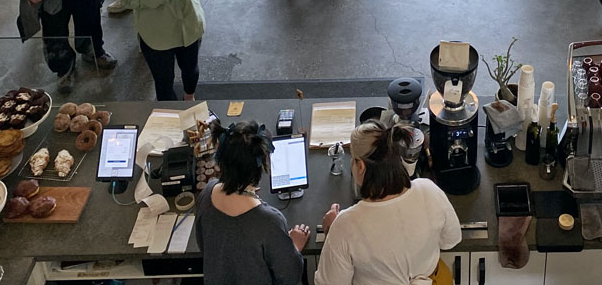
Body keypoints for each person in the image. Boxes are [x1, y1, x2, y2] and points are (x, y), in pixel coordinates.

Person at [315, 121, 461, 285]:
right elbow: (451, 240)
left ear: (361, 166)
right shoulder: (429, 190)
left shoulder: (345, 226)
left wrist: (331, 232)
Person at [195, 119, 309, 285]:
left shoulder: (207, 193)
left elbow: (203, 245)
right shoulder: (270, 221)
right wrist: (294, 247)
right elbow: (289, 276)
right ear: (260, 166)